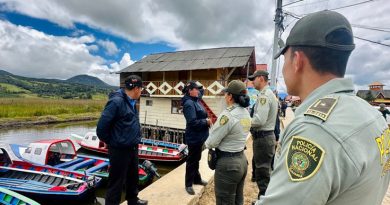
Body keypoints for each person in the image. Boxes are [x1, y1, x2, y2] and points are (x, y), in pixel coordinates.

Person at [255, 10, 390, 205]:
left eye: (284, 59)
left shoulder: (314, 130)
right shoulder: (371, 114)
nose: (283, 69)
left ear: (297, 61)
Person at [96, 75, 148, 205]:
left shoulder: (131, 101)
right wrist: (114, 142)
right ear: (136, 89)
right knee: (116, 181)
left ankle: (133, 200)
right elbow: (101, 128)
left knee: (132, 177)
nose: (141, 92)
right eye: (141, 89)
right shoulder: (116, 102)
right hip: (119, 149)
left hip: (132, 147)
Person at [205, 80, 251, 205]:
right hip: (241, 161)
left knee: (224, 201)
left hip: (228, 165)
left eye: (226, 94)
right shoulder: (246, 113)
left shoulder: (228, 115)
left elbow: (211, 143)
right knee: (238, 199)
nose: (225, 96)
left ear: (230, 96)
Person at [248, 70, 278, 199]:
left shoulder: (264, 96)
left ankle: (264, 198)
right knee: (264, 170)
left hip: (263, 138)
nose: (252, 82)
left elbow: (260, 120)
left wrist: (244, 121)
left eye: (253, 79)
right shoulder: (268, 94)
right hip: (266, 137)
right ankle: (264, 197)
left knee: (262, 172)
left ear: (260, 78)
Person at [181, 81, 210, 195]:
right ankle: (188, 184)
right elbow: (192, 122)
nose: (198, 91)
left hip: (200, 137)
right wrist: (206, 121)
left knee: (196, 159)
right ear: (190, 91)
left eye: (198, 89)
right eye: (196, 89)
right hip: (193, 137)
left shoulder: (195, 99)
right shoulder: (189, 104)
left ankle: (196, 179)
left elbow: (201, 90)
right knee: (192, 161)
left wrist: (199, 86)